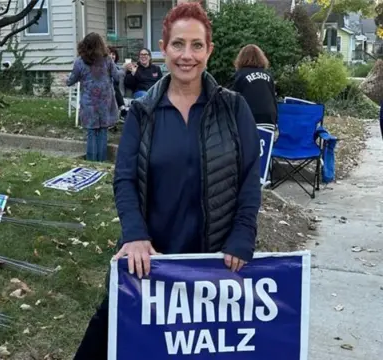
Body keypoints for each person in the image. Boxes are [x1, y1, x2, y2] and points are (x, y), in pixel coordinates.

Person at [72, 3, 261, 359]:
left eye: (196, 45)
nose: (186, 55)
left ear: (209, 51)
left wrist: (243, 234)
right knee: (105, 339)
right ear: (163, 47)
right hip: (151, 258)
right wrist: (135, 235)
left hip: (214, 261)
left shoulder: (234, 109)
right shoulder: (143, 112)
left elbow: (251, 179)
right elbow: (125, 178)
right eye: (178, 44)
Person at [67, 33, 119, 162]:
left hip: (89, 101)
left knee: (91, 132)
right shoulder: (107, 60)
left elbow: (71, 80)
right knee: (103, 130)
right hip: (105, 101)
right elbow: (117, 77)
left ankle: (91, 162)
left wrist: (66, 80)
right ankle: (101, 162)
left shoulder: (80, 61)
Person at [231, 44, 278, 128]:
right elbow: (273, 99)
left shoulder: (240, 76)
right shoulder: (268, 76)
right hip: (269, 119)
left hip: (248, 118)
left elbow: (230, 98)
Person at [108, 46, 128, 119]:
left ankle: (123, 110)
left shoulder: (117, 67)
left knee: (113, 85)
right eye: (109, 54)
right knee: (112, 84)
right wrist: (123, 68)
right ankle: (123, 109)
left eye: (113, 54)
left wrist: (131, 71)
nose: (112, 56)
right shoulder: (104, 66)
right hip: (107, 92)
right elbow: (116, 76)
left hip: (117, 93)